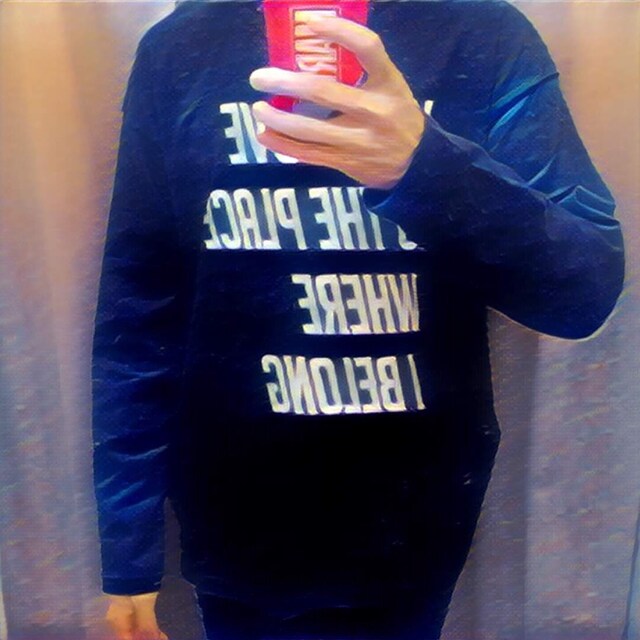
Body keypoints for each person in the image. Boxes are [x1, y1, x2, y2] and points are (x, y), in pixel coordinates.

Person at [92, 1, 625, 639]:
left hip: (412, 526)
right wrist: (128, 547)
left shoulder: (480, 32)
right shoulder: (180, 47)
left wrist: (422, 167)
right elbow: (139, 313)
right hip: (236, 522)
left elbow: (583, 292)